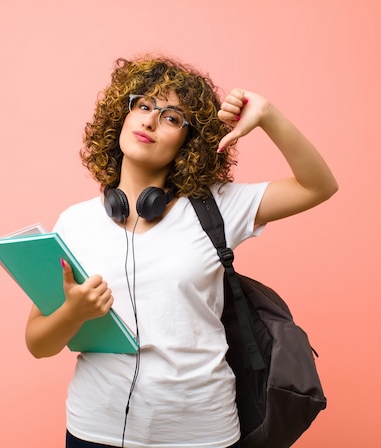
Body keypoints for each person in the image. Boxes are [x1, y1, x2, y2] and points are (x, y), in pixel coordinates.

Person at [24, 55, 338, 448]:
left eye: (172, 117)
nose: (151, 121)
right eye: (143, 106)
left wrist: (268, 115)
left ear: (189, 142)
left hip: (201, 433)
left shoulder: (218, 207)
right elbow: (38, 342)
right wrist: (75, 312)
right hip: (94, 431)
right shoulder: (74, 222)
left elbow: (318, 186)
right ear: (122, 115)